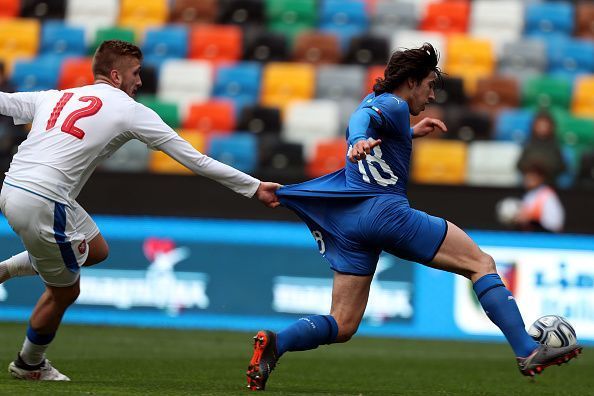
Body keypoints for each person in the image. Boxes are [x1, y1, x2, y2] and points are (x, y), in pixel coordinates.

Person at [245, 43, 582, 391]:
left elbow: (372, 119)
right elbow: (363, 120)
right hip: (385, 213)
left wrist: (408, 134)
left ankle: (276, 343)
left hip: (351, 223)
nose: (433, 95)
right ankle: (526, 350)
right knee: (481, 263)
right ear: (410, 82)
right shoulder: (392, 103)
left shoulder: (382, 106)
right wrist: (359, 137)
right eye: (430, 84)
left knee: (343, 323)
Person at [0, 40, 280, 381]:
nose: (140, 81)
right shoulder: (129, 110)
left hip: (14, 186)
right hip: (45, 200)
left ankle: (5, 271)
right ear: (116, 76)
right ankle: (29, 364)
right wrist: (254, 187)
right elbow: (196, 159)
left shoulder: (56, 96)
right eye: (136, 73)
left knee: (97, 249)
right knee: (65, 291)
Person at [516, 110, 566, 185]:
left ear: (551, 127)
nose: (542, 128)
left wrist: (543, 170)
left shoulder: (555, 146)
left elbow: (561, 167)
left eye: (545, 125)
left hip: (549, 182)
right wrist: (532, 171)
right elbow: (519, 165)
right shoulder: (528, 144)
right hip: (528, 182)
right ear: (534, 126)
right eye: (540, 125)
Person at [514, 161, 565, 232]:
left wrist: (531, 219)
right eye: (527, 175)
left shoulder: (547, 195)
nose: (528, 179)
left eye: (533, 176)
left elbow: (555, 224)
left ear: (541, 178)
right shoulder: (529, 195)